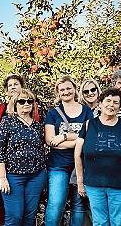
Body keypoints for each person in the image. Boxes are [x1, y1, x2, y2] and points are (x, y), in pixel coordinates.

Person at [74, 88, 121, 226]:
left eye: (116, 102)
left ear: (120, 106)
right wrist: (80, 182)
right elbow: (77, 155)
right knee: (99, 222)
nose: (111, 105)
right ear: (100, 104)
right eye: (108, 101)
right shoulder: (88, 125)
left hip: (120, 185)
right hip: (93, 185)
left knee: (118, 222)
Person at [0, 88, 47, 226]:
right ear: (15, 103)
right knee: (14, 216)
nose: (26, 104)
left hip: (36, 175)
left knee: (30, 216)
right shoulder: (8, 121)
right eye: (22, 101)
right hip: (13, 176)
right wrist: (2, 177)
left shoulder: (37, 125)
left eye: (30, 101)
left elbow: (42, 147)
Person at [44, 76, 93, 226]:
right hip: (58, 165)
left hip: (81, 166)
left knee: (78, 207)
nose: (66, 92)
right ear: (58, 92)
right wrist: (78, 140)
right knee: (56, 204)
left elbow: (89, 138)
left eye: (68, 88)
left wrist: (64, 136)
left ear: (74, 89)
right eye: (62, 89)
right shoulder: (53, 113)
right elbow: (51, 141)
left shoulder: (86, 111)